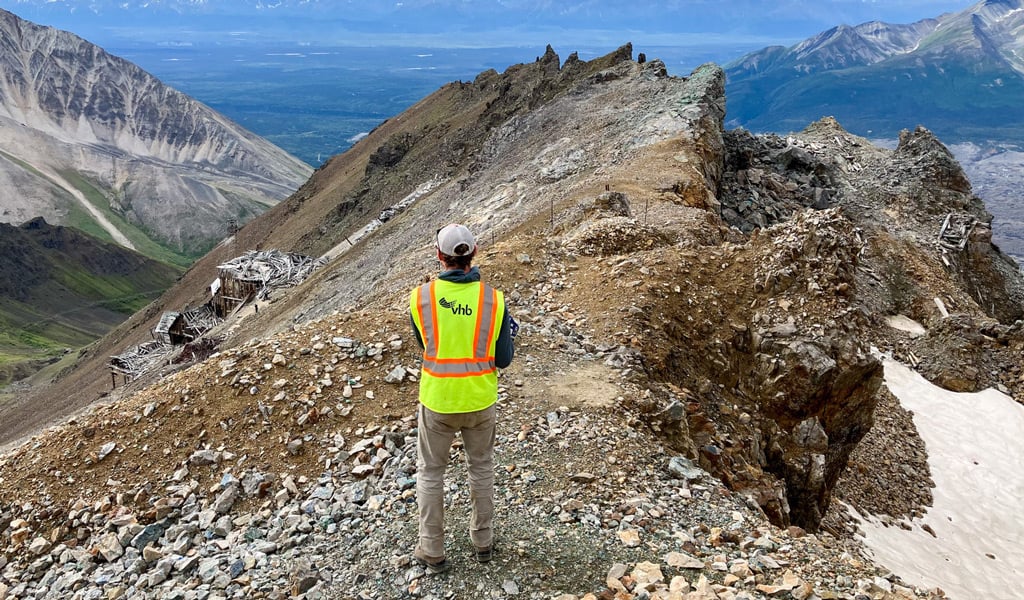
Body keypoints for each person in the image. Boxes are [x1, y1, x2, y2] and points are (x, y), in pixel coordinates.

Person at [409, 223, 515, 574]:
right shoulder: (494, 299)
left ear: (439, 256)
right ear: (474, 253)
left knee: (430, 472)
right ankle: (483, 541)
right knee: (481, 466)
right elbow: (503, 359)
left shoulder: (420, 298)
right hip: (480, 399)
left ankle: (432, 548)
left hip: (438, 399)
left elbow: (426, 344)